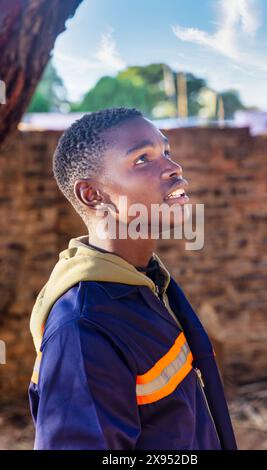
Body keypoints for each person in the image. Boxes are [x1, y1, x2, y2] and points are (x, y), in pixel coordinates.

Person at [28, 107, 237, 450]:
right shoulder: (84, 329)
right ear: (93, 195)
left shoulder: (148, 281)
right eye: (143, 159)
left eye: (166, 152)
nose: (174, 168)